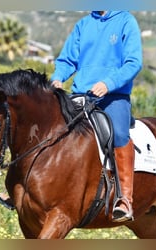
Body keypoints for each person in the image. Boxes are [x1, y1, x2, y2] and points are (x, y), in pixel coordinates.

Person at [51, 11, 142, 222]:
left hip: (113, 96)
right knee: (52, 127)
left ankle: (125, 199)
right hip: (80, 93)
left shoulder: (126, 21)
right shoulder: (84, 24)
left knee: (118, 134)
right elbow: (67, 60)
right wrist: (58, 78)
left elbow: (133, 62)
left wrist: (108, 83)